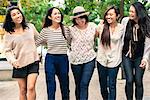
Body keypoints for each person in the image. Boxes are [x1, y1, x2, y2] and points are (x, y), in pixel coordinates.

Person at [3, 6, 39, 100]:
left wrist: (35, 50)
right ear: (10, 19)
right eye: (14, 15)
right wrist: (13, 61)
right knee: (23, 90)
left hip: (33, 61)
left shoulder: (30, 27)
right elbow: (7, 51)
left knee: (31, 87)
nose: (17, 16)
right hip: (19, 64)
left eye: (18, 13)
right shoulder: (8, 34)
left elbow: (39, 39)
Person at [35, 7, 70, 100]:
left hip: (63, 59)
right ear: (50, 17)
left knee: (65, 84)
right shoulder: (45, 31)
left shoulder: (66, 29)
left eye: (59, 13)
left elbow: (71, 43)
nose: (58, 15)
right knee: (51, 84)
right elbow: (36, 43)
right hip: (51, 59)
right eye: (55, 14)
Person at [121, 2, 150, 100]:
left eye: (132, 12)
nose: (130, 13)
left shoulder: (146, 24)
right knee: (129, 80)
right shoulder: (125, 21)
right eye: (129, 11)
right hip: (127, 55)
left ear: (139, 12)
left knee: (138, 80)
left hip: (139, 56)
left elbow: (148, 44)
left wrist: (145, 59)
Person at [96, 6, 124, 100]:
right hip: (102, 60)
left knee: (112, 85)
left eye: (111, 14)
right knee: (103, 86)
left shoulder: (121, 28)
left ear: (117, 16)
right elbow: (93, 37)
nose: (108, 16)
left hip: (115, 60)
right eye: (107, 14)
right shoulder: (101, 27)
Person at [69, 6, 97, 100]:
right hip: (75, 61)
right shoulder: (71, 29)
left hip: (89, 59)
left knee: (84, 84)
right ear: (74, 20)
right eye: (77, 19)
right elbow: (68, 42)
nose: (80, 21)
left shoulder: (92, 26)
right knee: (78, 84)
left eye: (82, 18)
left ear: (85, 17)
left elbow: (98, 36)